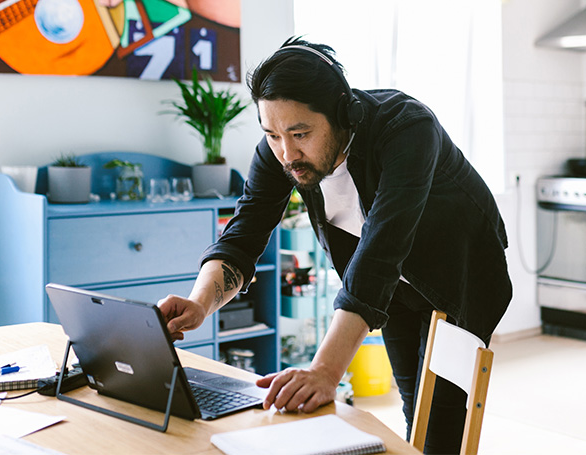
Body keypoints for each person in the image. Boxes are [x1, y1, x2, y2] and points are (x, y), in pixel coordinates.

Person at [158, 36, 512, 454]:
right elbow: (244, 232)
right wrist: (201, 302)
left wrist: (324, 371)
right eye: (272, 134)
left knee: (440, 425)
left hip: (461, 276)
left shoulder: (407, 128)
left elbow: (383, 246)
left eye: (301, 133)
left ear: (344, 114)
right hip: (393, 290)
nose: (287, 153)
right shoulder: (280, 149)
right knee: (415, 409)